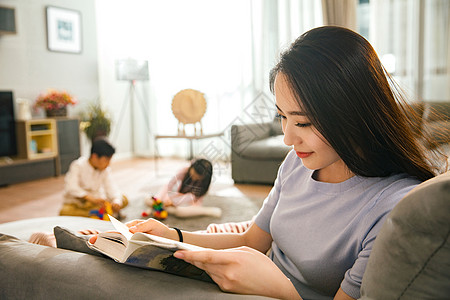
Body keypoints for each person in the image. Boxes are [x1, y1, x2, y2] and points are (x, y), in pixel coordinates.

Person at [91, 26, 447, 299]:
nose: (289, 139)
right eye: (282, 117)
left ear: (353, 114)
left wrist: (280, 289)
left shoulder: (391, 206)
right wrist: (176, 235)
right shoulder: (298, 163)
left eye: (304, 122)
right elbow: (253, 239)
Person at [59, 137, 128, 219]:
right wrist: (90, 198)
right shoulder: (78, 165)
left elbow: (111, 187)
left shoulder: (105, 169)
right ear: (94, 157)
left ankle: (98, 214)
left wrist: (116, 201)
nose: (108, 164)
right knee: (64, 212)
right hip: (77, 203)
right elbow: (71, 187)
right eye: (106, 160)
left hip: (97, 202)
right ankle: (99, 214)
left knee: (123, 199)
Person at [148, 158, 221, 218]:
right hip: (177, 197)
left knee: (180, 212)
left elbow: (191, 197)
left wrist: (173, 202)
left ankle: (207, 211)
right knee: (148, 200)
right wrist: (159, 199)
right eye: (194, 174)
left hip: (189, 203)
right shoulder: (184, 170)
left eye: (197, 177)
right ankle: (164, 207)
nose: (194, 178)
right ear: (191, 167)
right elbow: (169, 185)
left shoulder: (203, 183)